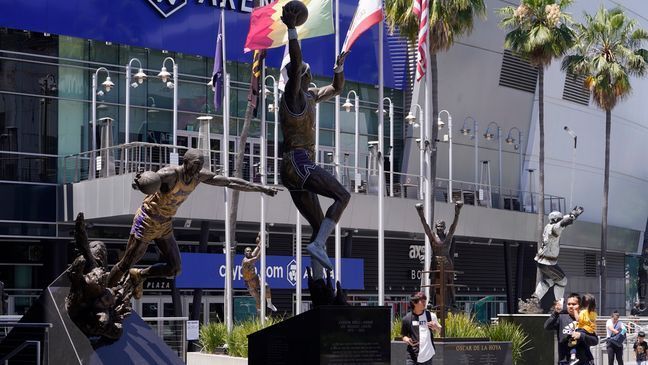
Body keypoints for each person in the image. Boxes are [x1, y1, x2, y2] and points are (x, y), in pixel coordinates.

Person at [107, 148, 278, 296]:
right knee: (126, 262)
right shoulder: (171, 174)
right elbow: (151, 180)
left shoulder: (198, 177)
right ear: (185, 162)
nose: (198, 169)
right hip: (147, 220)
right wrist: (139, 182)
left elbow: (230, 181)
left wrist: (261, 188)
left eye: (200, 165)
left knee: (175, 269)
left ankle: (139, 275)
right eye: (195, 164)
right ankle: (104, 291)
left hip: (165, 224)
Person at [279, 3, 350, 280]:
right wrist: (292, 30)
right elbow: (295, 65)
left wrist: (339, 68)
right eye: (307, 73)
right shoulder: (293, 96)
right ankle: (319, 245)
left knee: (320, 223)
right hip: (298, 163)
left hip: (293, 168)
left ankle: (319, 280)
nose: (309, 76)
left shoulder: (309, 96)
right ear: (302, 76)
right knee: (343, 196)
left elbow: (337, 88)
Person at [519, 206, 584, 313]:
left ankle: (533, 302)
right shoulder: (554, 229)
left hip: (542, 261)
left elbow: (562, 221)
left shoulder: (549, 226)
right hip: (548, 263)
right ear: (555, 220)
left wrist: (571, 214)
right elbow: (562, 223)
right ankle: (558, 305)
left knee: (549, 281)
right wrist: (573, 215)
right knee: (562, 281)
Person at [415, 201, 463, 308]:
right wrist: (420, 212)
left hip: (446, 261)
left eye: (441, 226)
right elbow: (425, 225)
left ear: (444, 227)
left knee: (450, 281)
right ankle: (431, 301)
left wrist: (457, 213)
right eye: (437, 226)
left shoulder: (448, 236)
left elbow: (453, 226)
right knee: (433, 282)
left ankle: (454, 302)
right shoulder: (432, 236)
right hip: (435, 261)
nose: (439, 228)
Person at [401, 292, 441, 365]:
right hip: (412, 355)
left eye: (425, 301)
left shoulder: (431, 316)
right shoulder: (407, 318)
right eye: (422, 301)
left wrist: (435, 327)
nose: (424, 303)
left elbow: (440, 330)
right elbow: (404, 335)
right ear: (414, 303)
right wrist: (406, 339)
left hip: (427, 355)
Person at [241, 232, 277, 313]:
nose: (249, 252)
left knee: (266, 287)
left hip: (255, 278)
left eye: (250, 251)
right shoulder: (246, 261)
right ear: (244, 253)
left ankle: (269, 303)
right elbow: (257, 257)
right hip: (249, 282)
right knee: (258, 299)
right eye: (247, 251)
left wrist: (262, 239)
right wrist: (262, 247)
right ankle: (261, 315)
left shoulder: (251, 255)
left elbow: (257, 247)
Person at [568, 294, 597, 365]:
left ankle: (573, 357)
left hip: (582, 330)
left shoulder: (583, 312)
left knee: (573, 343)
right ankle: (591, 359)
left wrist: (575, 311)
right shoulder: (593, 313)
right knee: (585, 346)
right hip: (590, 331)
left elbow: (578, 319)